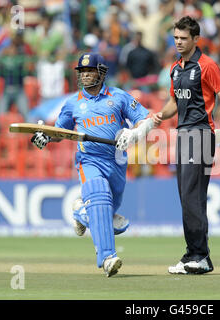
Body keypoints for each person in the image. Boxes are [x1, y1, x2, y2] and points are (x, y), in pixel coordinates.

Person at [31, 52, 154, 277]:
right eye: (82, 72)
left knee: (108, 213)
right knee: (99, 196)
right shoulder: (73, 103)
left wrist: (133, 134)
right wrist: (46, 137)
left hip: (117, 161)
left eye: (90, 71)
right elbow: (61, 132)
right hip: (89, 160)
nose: (85, 75)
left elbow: (146, 120)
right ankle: (107, 257)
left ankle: (81, 212)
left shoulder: (118, 97)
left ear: (102, 72)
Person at [152, 16, 220, 275]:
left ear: (196, 39)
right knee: (186, 197)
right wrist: (159, 116)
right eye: (175, 38)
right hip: (182, 135)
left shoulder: (207, 66)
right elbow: (175, 102)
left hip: (201, 134)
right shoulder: (176, 68)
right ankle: (192, 253)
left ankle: (200, 256)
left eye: (183, 38)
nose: (179, 42)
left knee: (192, 196)